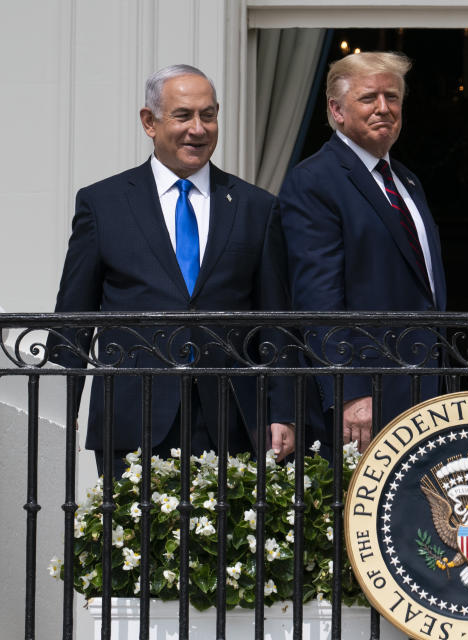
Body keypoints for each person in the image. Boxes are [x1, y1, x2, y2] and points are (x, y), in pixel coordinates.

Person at [49, 64, 295, 474]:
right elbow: (73, 318)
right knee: (132, 538)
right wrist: (56, 413)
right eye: (183, 115)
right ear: (150, 121)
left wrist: (283, 410)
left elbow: (276, 322)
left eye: (208, 115)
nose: (197, 129)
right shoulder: (103, 203)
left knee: (226, 539)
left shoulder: (256, 207)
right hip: (132, 416)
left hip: (231, 417)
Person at [279, 51, 446, 452]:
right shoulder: (314, 180)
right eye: (369, 98)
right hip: (366, 397)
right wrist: (349, 391)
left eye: (393, 98)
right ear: (336, 110)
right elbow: (317, 301)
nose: (384, 108)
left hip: (420, 387)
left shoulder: (405, 179)